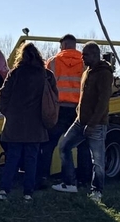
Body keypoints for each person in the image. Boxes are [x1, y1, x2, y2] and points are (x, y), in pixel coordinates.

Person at [52, 42, 113, 202]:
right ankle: (70, 183)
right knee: (64, 146)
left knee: (97, 160)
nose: (82, 57)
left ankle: (97, 191)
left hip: (96, 124)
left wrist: (92, 124)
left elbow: (103, 102)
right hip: (80, 121)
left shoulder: (104, 74)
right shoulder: (87, 72)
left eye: (85, 55)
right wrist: (80, 114)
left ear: (94, 55)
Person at [0, 43, 56, 202]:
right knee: (32, 160)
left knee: (12, 159)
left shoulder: (15, 73)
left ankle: (4, 190)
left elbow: (3, 95)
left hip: (14, 125)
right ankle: (28, 193)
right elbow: (54, 97)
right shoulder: (46, 75)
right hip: (36, 126)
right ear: (38, 56)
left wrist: (7, 112)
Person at [37, 34, 92, 189]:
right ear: (74, 46)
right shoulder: (85, 63)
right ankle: (83, 180)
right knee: (82, 145)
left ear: (62, 45)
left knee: (49, 144)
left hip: (58, 109)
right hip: (78, 110)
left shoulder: (53, 62)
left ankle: (43, 177)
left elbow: (45, 86)